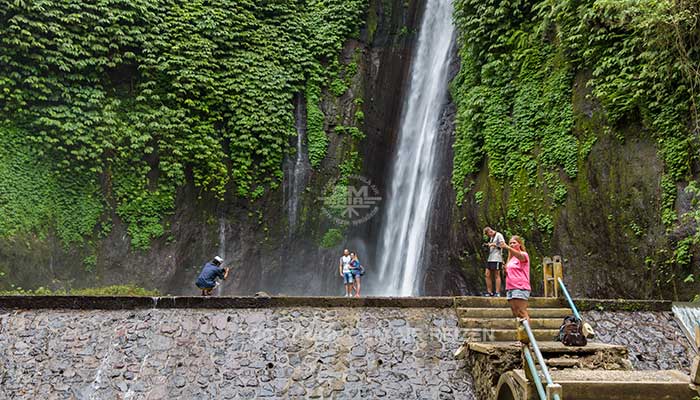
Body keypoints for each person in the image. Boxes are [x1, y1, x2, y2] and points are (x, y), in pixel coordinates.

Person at [500, 236, 531, 323]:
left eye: (514, 243)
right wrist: (505, 270)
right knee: (515, 312)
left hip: (520, 286)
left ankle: (528, 333)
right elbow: (507, 273)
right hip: (510, 287)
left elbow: (520, 256)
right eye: (510, 243)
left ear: (520, 244)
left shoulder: (524, 254)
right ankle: (521, 333)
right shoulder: (511, 259)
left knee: (522, 311)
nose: (512, 245)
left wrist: (507, 247)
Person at [483, 227, 505, 296]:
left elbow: (503, 245)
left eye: (488, 235)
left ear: (490, 231)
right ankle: (489, 292)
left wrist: (493, 244)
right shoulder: (492, 237)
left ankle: (497, 292)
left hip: (497, 258)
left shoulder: (499, 235)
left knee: (496, 275)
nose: (489, 236)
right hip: (490, 258)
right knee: (487, 274)